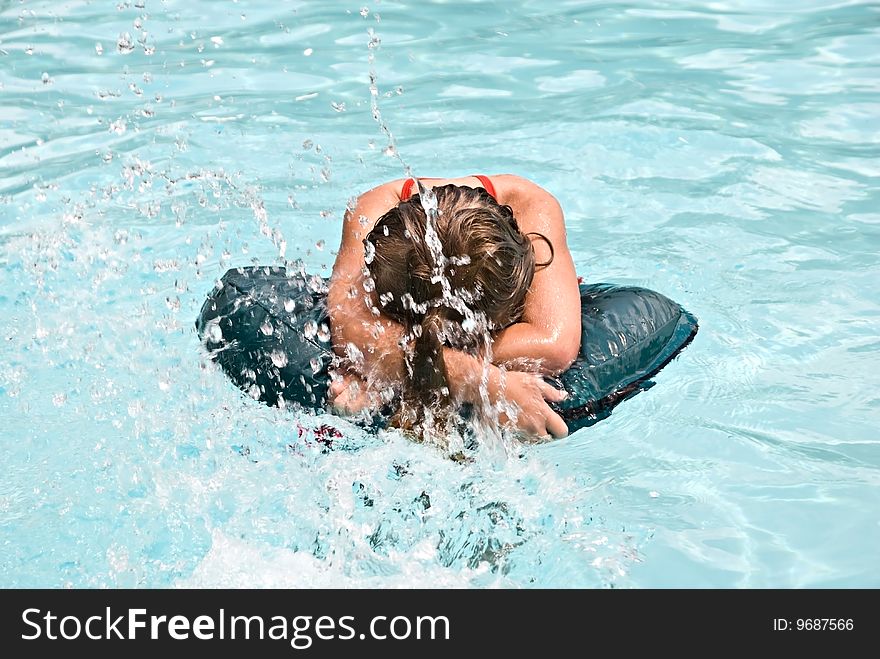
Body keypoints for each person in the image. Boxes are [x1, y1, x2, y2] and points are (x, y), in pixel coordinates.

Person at [326, 174, 581, 441]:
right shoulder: (369, 213)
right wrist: (486, 382)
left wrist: (388, 367)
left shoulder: (533, 209)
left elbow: (555, 345)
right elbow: (353, 332)